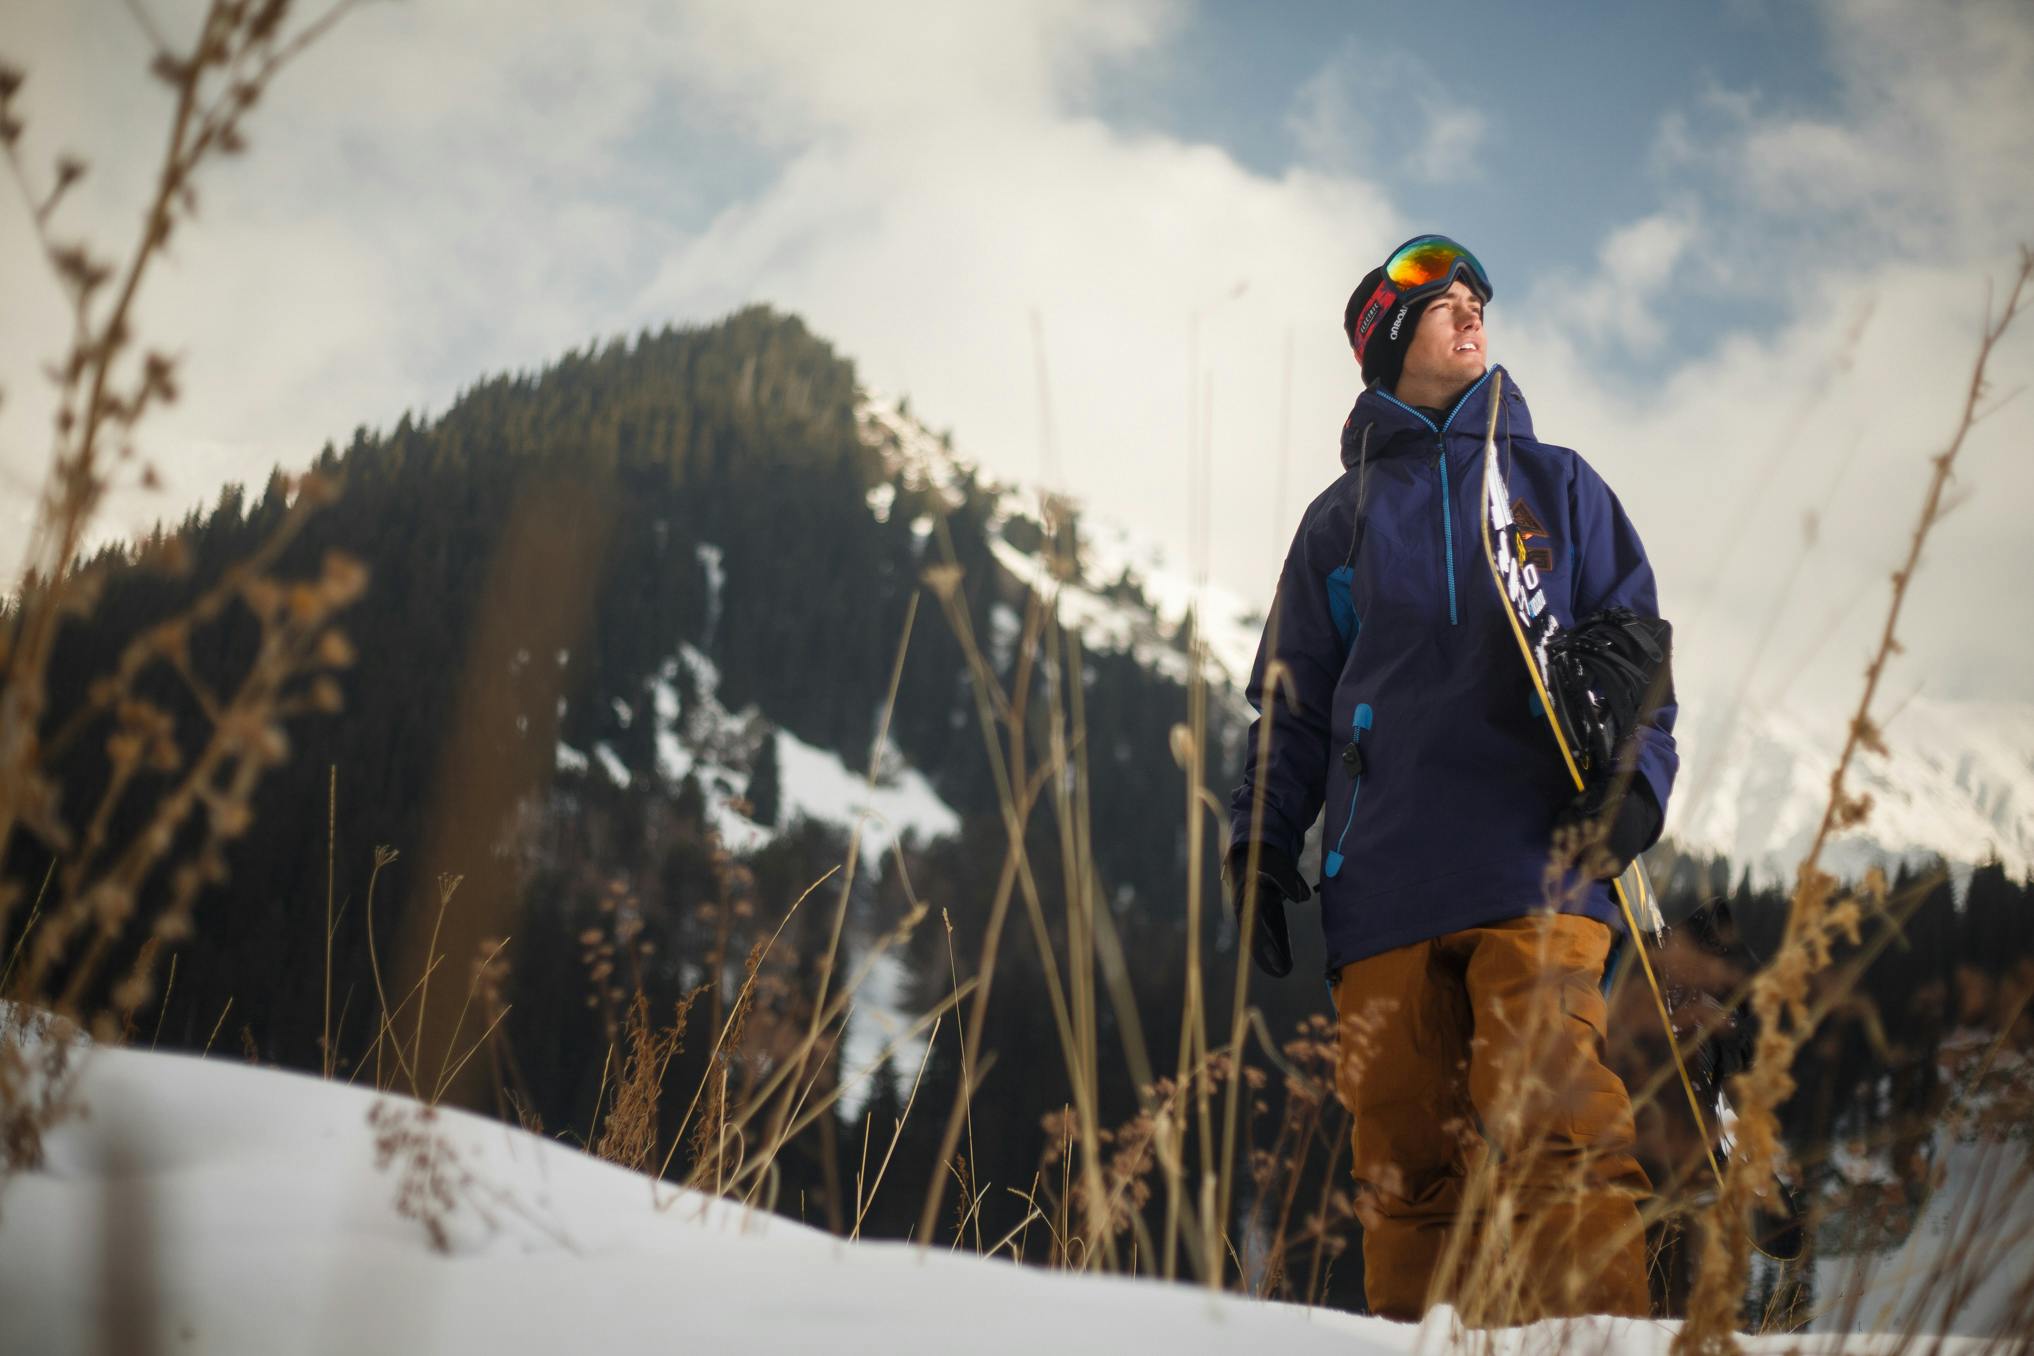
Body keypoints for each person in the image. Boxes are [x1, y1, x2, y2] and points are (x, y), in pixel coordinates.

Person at [1224, 234, 1676, 1322]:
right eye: (1443, 306)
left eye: (1479, 299)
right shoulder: (1339, 523)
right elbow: (1291, 707)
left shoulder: (1557, 486)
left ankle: (1593, 1347)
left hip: (1538, 867)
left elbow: (1639, 657)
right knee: (1406, 1176)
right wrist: (1259, 842)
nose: (1472, 315)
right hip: (1378, 891)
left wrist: (1637, 786)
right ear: (1386, 344)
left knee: (1558, 1133)